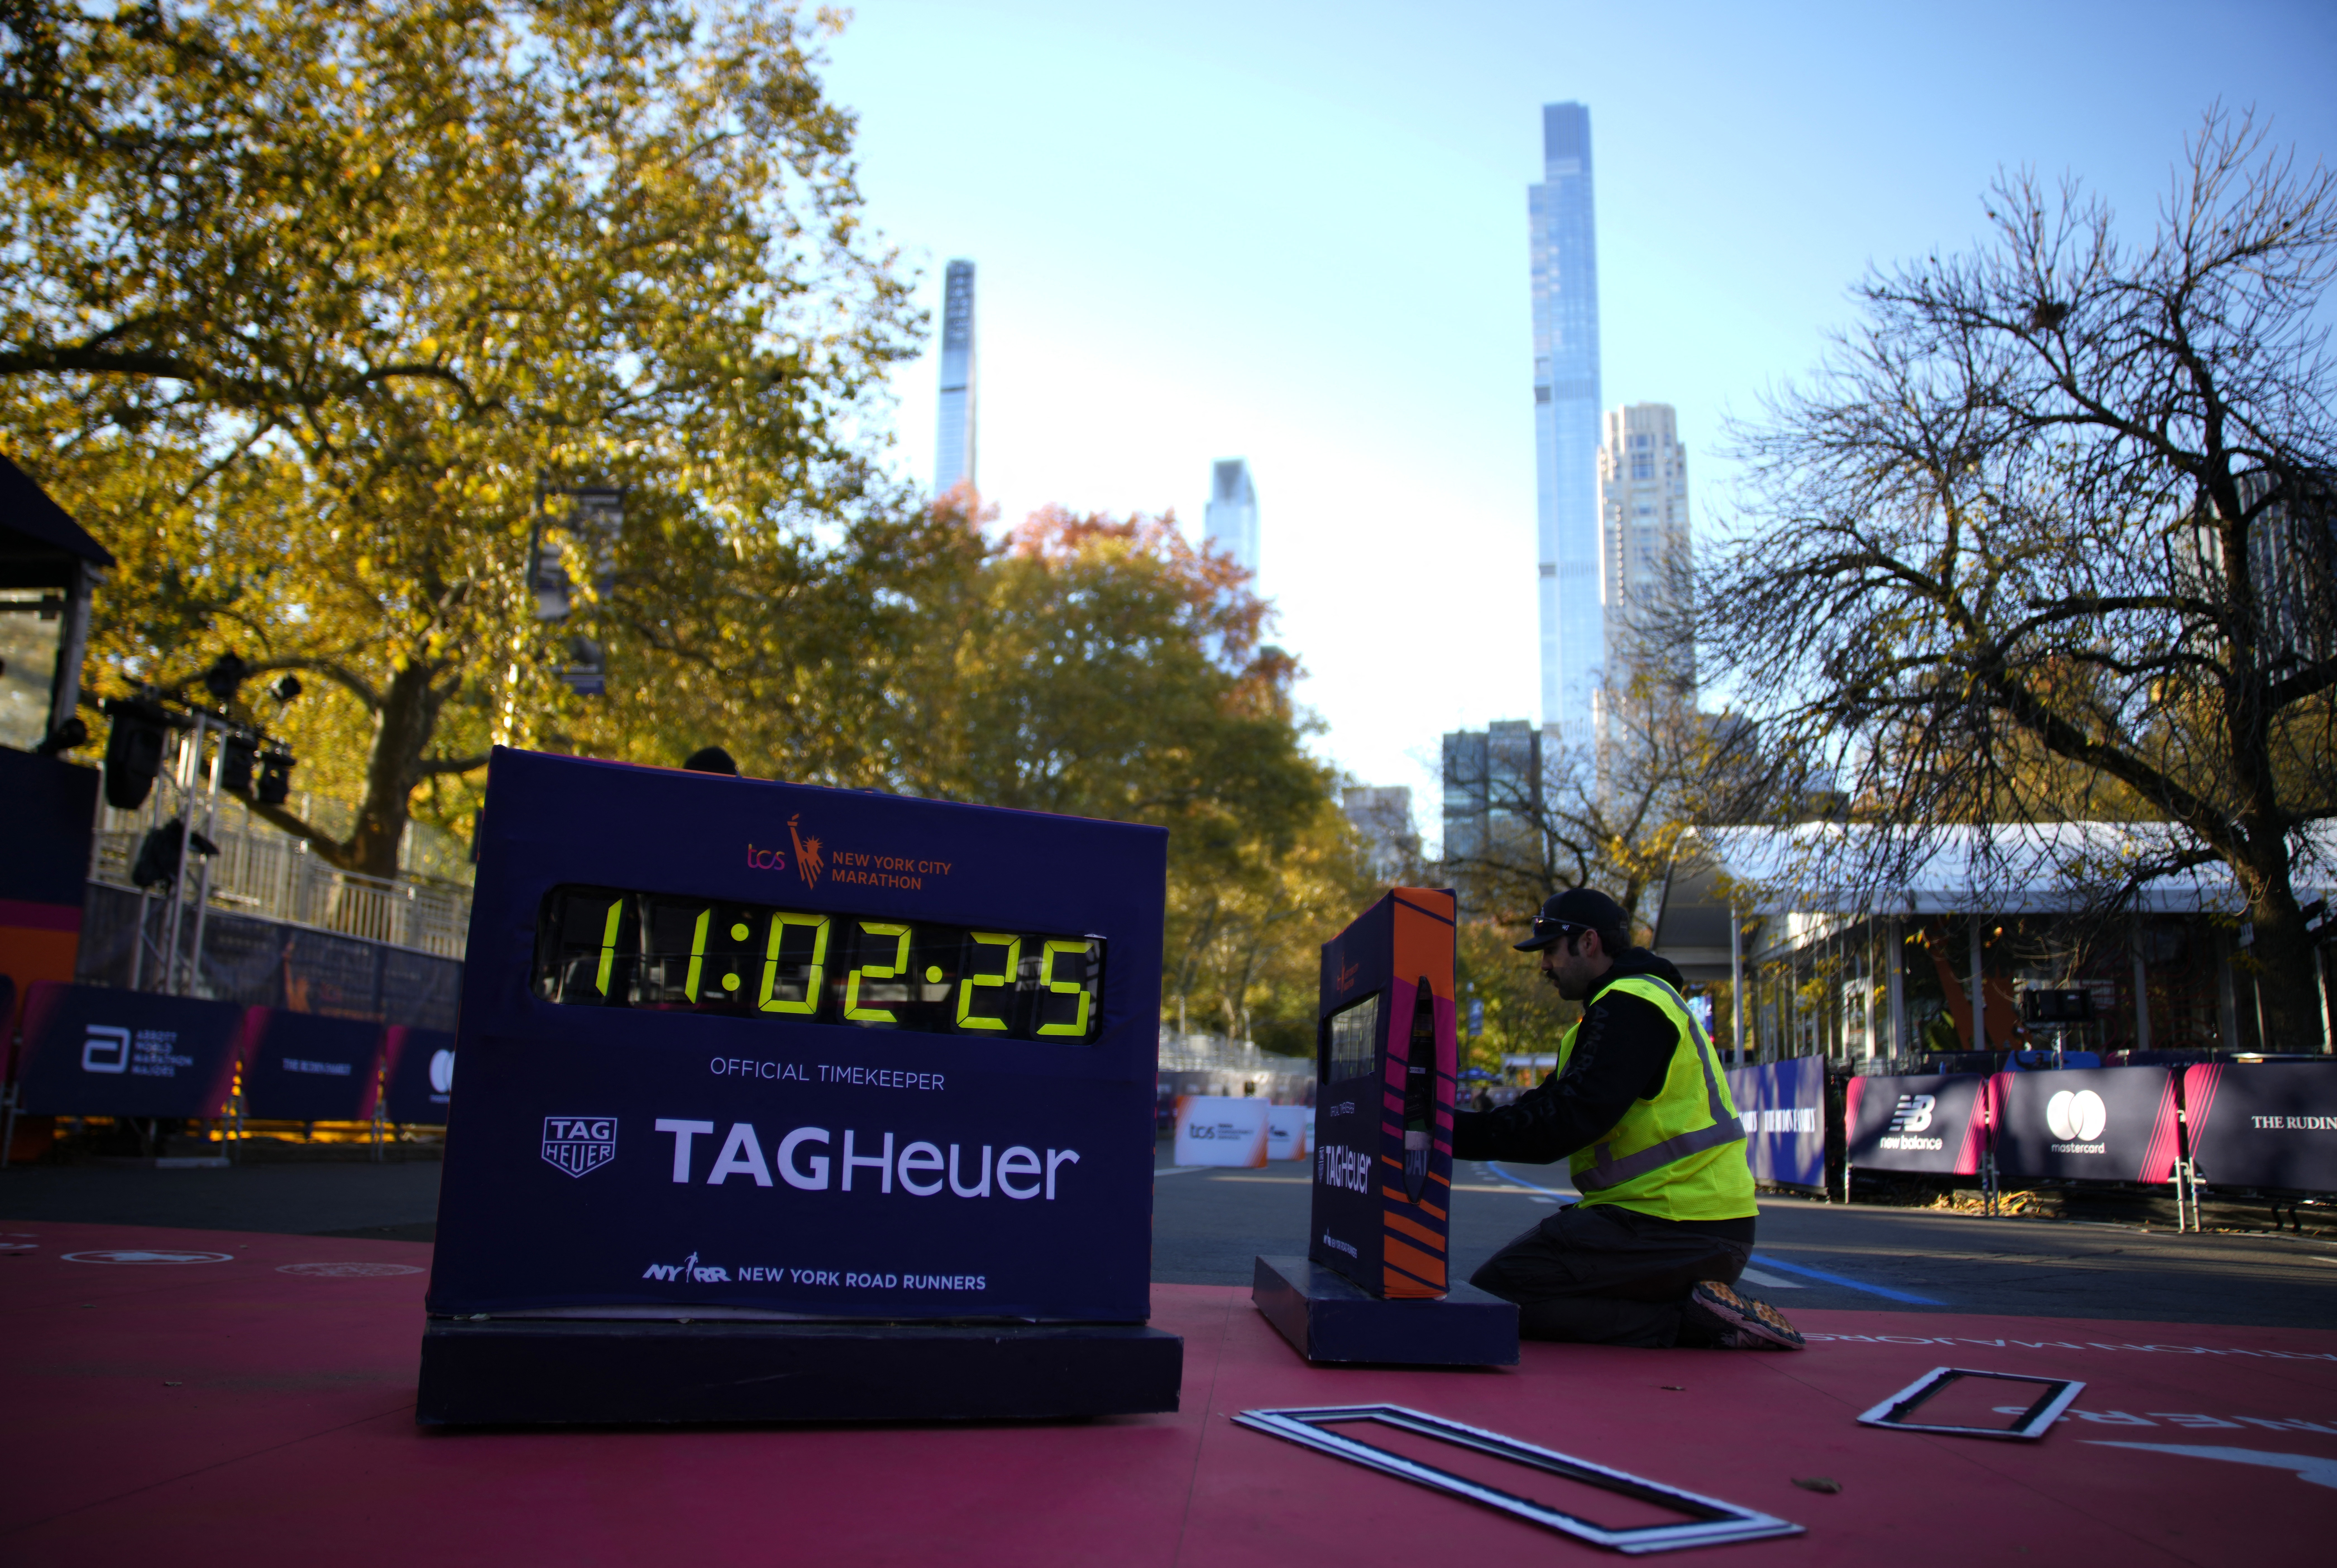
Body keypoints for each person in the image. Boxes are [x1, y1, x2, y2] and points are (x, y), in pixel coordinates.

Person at [1451, 887, 1804, 1351]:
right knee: (1506, 1287)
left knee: (1504, 1292)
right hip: (1669, 1223)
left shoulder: (1633, 1005)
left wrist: (1445, 1133)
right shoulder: (1614, 1010)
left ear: (1589, 943)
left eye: (1551, 951)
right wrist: (1452, 1127)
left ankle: (1691, 1322)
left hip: (1676, 1226)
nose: (1544, 966)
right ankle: (1694, 1309)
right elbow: (1542, 1107)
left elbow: (1567, 1121)